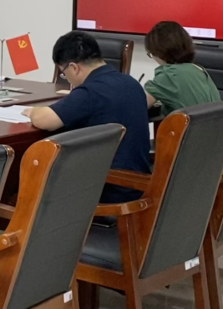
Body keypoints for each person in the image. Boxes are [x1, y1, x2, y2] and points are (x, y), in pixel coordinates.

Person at [24, 31, 151, 202]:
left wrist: (33, 111)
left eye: (64, 73)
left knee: (33, 177)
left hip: (108, 189)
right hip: (138, 184)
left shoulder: (90, 92)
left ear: (74, 68)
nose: (66, 78)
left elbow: (45, 120)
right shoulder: (131, 83)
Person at [143, 21, 221, 116]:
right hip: (214, 125)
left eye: (151, 54)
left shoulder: (169, 75)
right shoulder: (199, 69)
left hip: (189, 125)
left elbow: (138, 106)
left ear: (159, 52)